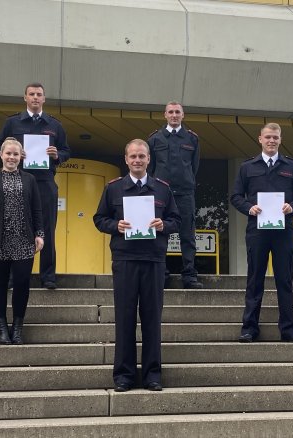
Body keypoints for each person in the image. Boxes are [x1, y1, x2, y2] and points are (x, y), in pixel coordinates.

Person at [93, 139, 181, 392]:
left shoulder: (163, 189)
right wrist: (115, 226)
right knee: (125, 318)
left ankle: (153, 374)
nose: (137, 160)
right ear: (126, 159)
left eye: (142, 156)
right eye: (133, 156)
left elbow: (176, 219)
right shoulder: (114, 188)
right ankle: (124, 375)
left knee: (152, 319)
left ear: (149, 159)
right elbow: (99, 219)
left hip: (154, 260)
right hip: (125, 259)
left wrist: (164, 225)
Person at [230, 123, 293, 343]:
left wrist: (292, 206)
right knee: (254, 279)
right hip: (257, 230)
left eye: (275, 137)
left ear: (280, 140)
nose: (272, 141)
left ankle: (288, 329)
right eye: (268, 137)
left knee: (284, 280)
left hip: (284, 230)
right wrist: (249, 208)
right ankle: (249, 328)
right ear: (260, 139)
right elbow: (236, 196)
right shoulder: (247, 167)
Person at [0, 82, 70, 289]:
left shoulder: (54, 125)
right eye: (32, 94)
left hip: (45, 182)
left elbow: (66, 151)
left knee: (47, 229)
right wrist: (15, 153)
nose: (35, 97)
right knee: (14, 227)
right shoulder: (12, 123)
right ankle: (11, 276)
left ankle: (48, 276)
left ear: (44, 99)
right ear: (25, 98)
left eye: (39, 94)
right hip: (18, 180)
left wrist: (57, 155)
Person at [0, 138, 45, 345]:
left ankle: (17, 328)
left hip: (24, 240)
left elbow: (37, 209)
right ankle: (2, 328)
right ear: (1, 155)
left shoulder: (30, 180)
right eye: (8, 153)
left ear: (21, 156)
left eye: (16, 154)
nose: (12, 157)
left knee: (23, 284)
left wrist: (39, 234)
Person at [147, 101, 203, 289]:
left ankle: (189, 276)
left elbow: (193, 167)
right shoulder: (155, 139)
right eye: (170, 112)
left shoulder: (192, 138)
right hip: (161, 194)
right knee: (160, 233)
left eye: (177, 112)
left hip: (185, 193)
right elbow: (151, 167)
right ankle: (161, 275)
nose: (174, 115)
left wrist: (186, 181)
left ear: (183, 115)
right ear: (165, 115)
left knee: (187, 235)